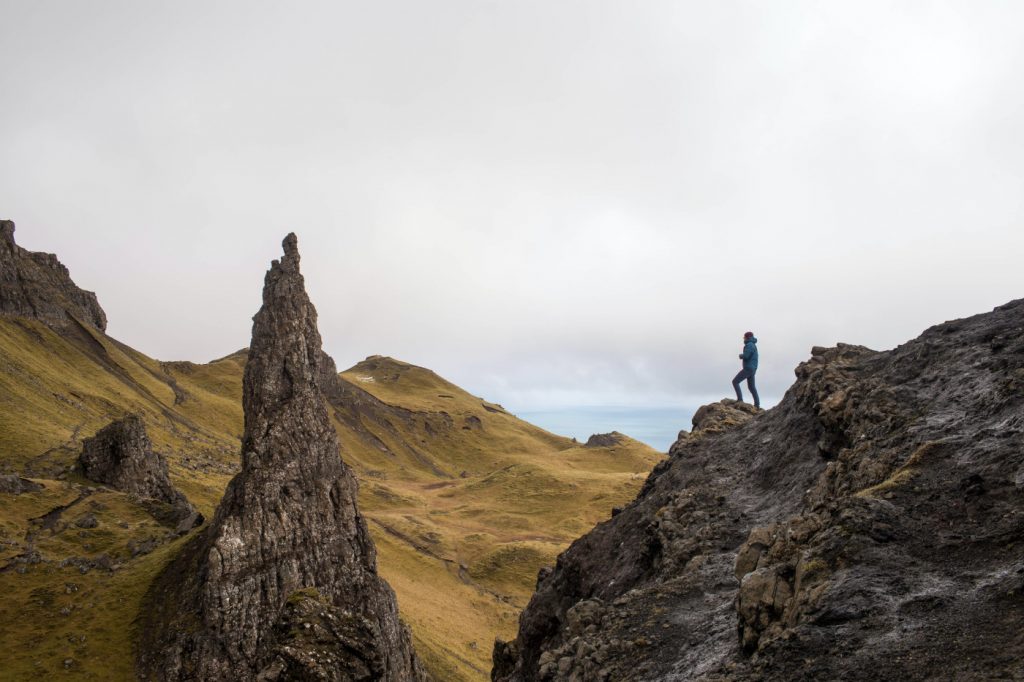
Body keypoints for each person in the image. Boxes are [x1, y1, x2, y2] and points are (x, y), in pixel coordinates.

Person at [732, 331, 760, 408]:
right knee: (751, 387)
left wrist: (741, 355)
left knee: (735, 382)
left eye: (744, 337)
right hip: (753, 369)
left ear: (747, 337)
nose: (743, 338)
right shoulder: (753, 345)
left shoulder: (749, 345)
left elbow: (746, 356)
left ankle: (740, 399)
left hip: (748, 368)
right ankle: (757, 405)